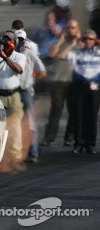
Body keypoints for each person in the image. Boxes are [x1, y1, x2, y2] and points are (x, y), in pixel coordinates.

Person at [0, 30, 27, 173]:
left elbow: (19, 70)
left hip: (13, 95)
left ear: (14, 43)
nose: (6, 43)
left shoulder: (19, 56)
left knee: (15, 126)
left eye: (8, 41)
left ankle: (16, 157)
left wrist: (4, 56)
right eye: (4, 41)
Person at [57, 30, 100, 154]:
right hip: (78, 86)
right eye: (85, 39)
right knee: (78, 115)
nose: (87, 41)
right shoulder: (77, 53)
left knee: (92, 115)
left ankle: (90, 143)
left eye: (90, 39)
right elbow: (60, 56)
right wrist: (72, 44)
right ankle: (78, 143)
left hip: (94, 86)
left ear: (94, 41)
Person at [42, 18, 81, 147]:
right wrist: (61, 40)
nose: (70, 30)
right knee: (55, 110)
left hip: (74, 81)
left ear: (77, 29)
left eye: (73, 28)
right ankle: (49, 137)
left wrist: (76, 43)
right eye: (68, 27)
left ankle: (69, 137)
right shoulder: (61, 41)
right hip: (59, 81)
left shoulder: (81, 43)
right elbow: (52, 54)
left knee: (74, 111)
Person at [15, 29, 47, 164]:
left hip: (26, 90)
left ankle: (33, 152)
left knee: (30, 121)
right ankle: (18, 153)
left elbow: (42, 71)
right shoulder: (12, 54)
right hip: (13, 91)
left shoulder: (30, 53)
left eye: (22, 39)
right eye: (18, 40)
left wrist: (32, 81)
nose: (20, 42)